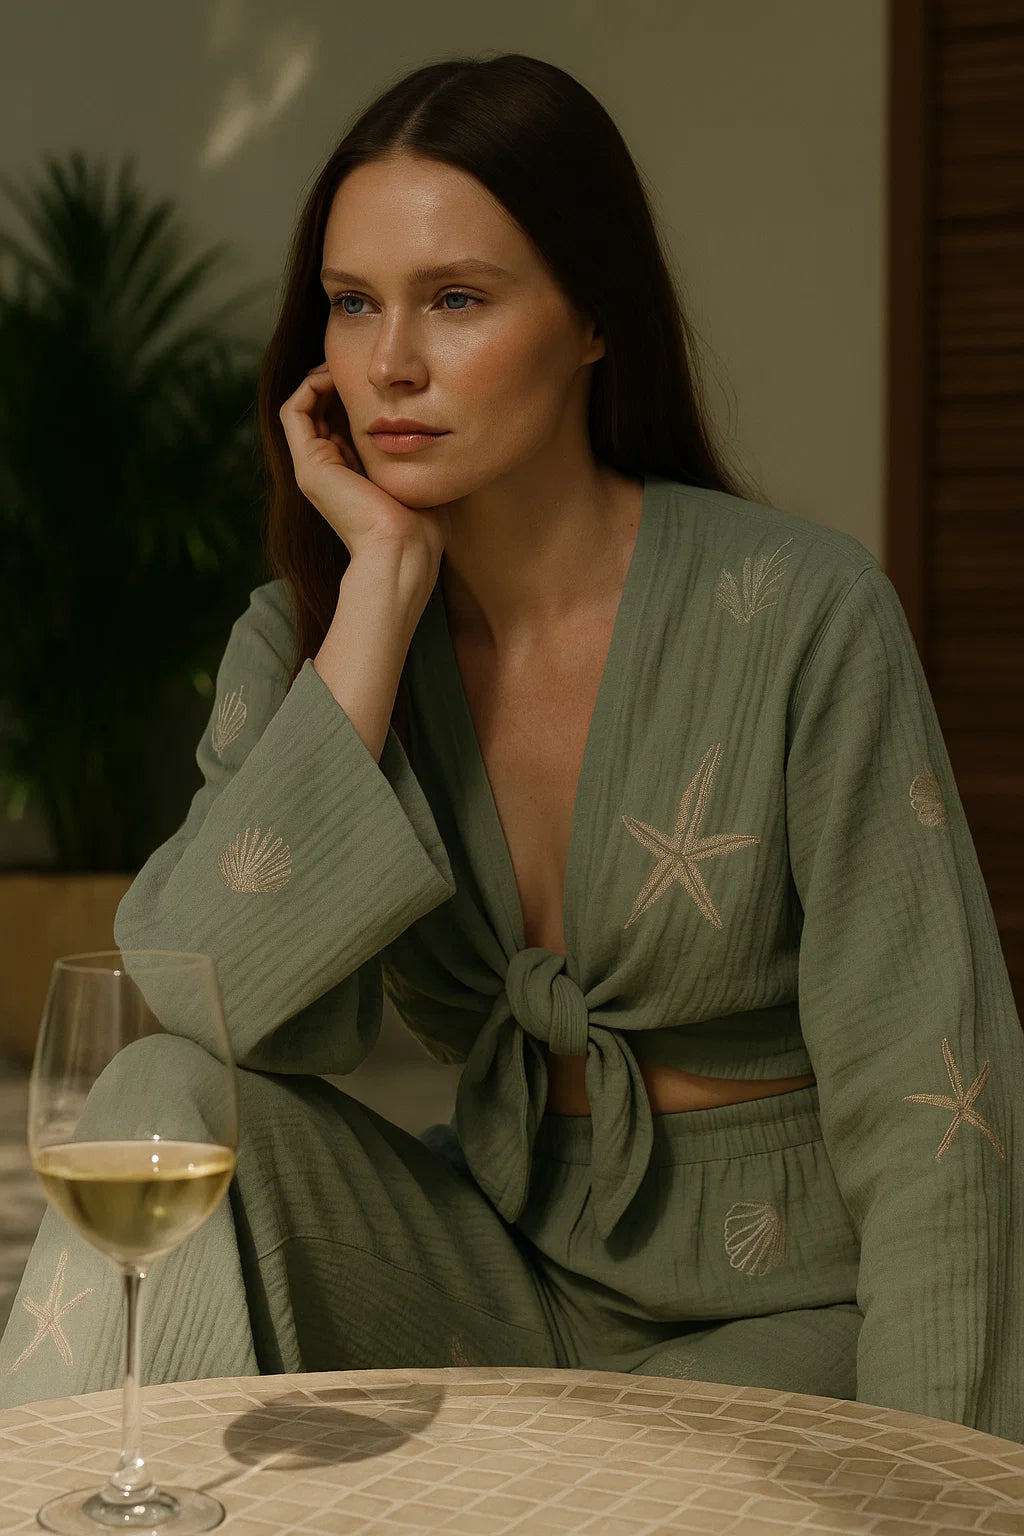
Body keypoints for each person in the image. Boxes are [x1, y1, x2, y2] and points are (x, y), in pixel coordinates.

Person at [2, 52, 1021, 1443]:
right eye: (353, 305)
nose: (390, 363)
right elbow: (210, 1003)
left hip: (785, 1319)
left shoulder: (801, 614)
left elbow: (937, 1105)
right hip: (488, 1274)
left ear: (594, 318)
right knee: (156, 1090)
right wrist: (372, 608)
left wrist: (944, 1479)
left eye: (457, 300)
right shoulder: (309, 639)